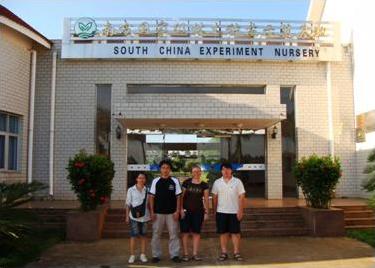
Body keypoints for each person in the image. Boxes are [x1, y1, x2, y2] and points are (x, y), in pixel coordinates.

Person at [149, 159, 182, 263]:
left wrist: (177, 211)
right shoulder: (155, 181)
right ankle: (156, 255)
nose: (165, 170)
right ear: (160, 169)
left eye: (167, 168)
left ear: (170, 169)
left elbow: (178, 197)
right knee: (156, 234)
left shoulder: (175, 181)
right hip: (158, 213)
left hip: (172, 213)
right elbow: (151, 197)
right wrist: (152, 211)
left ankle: (174, 255)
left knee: (174, 234)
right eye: (163, 168)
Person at [211, 163, 245, 261]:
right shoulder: (217, 182)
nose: (225, 171)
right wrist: (214, 211)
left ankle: (236, 253)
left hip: (234, 212)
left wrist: (241, 211)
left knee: (236, 233)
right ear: (221, 171)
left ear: (231, 170)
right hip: (221, 212)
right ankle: (224, 252)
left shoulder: (237, 182)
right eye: (223, 169)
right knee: (223, 233)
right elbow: (214, 198)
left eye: (227, 169)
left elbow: (242, 197)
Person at [180, 164, 209, 262]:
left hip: (198, 212)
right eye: (194, 171)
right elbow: (181, 197)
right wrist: (180, 210)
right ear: (191, 173)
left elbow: (206, 199)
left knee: (196, 233)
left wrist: (206, 212)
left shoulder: (204, 185)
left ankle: (195, 254)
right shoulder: (186, 183)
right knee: (185, 233)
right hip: (186, 212)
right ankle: (185, 254)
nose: (196, 173)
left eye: (198, 171)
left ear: (201, 172)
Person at [125, 172, 150, 264]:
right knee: (133, 236)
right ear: (136, 179)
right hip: (133, 217)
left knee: (143, 236)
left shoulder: (147, 190)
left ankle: (143, 254)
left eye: (143, 178)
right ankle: (132, 255)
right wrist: (127, 216)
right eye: (139, 178)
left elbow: (149, 205)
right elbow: (128, 204)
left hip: (145, 217)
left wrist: (152, 214)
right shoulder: (131, 190)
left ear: (145, 180)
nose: (141, 179)